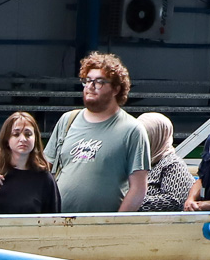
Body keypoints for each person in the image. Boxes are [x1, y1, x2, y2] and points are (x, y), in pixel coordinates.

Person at [45, 53, 150, 214]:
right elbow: (45, 169)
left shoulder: (132, 130)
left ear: (116, 88)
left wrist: (116, 225)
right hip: (60, 224)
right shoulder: (68, 120)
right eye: (87, 80)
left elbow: (138, 189)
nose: (90, 86)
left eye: (99, 82)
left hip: (102, 230)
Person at [135, 112, 194, 213]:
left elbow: (174, 201)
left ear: (156, 137)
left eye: (143, 137)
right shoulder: (138, 163)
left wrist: (130, 203)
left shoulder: (172, 165)